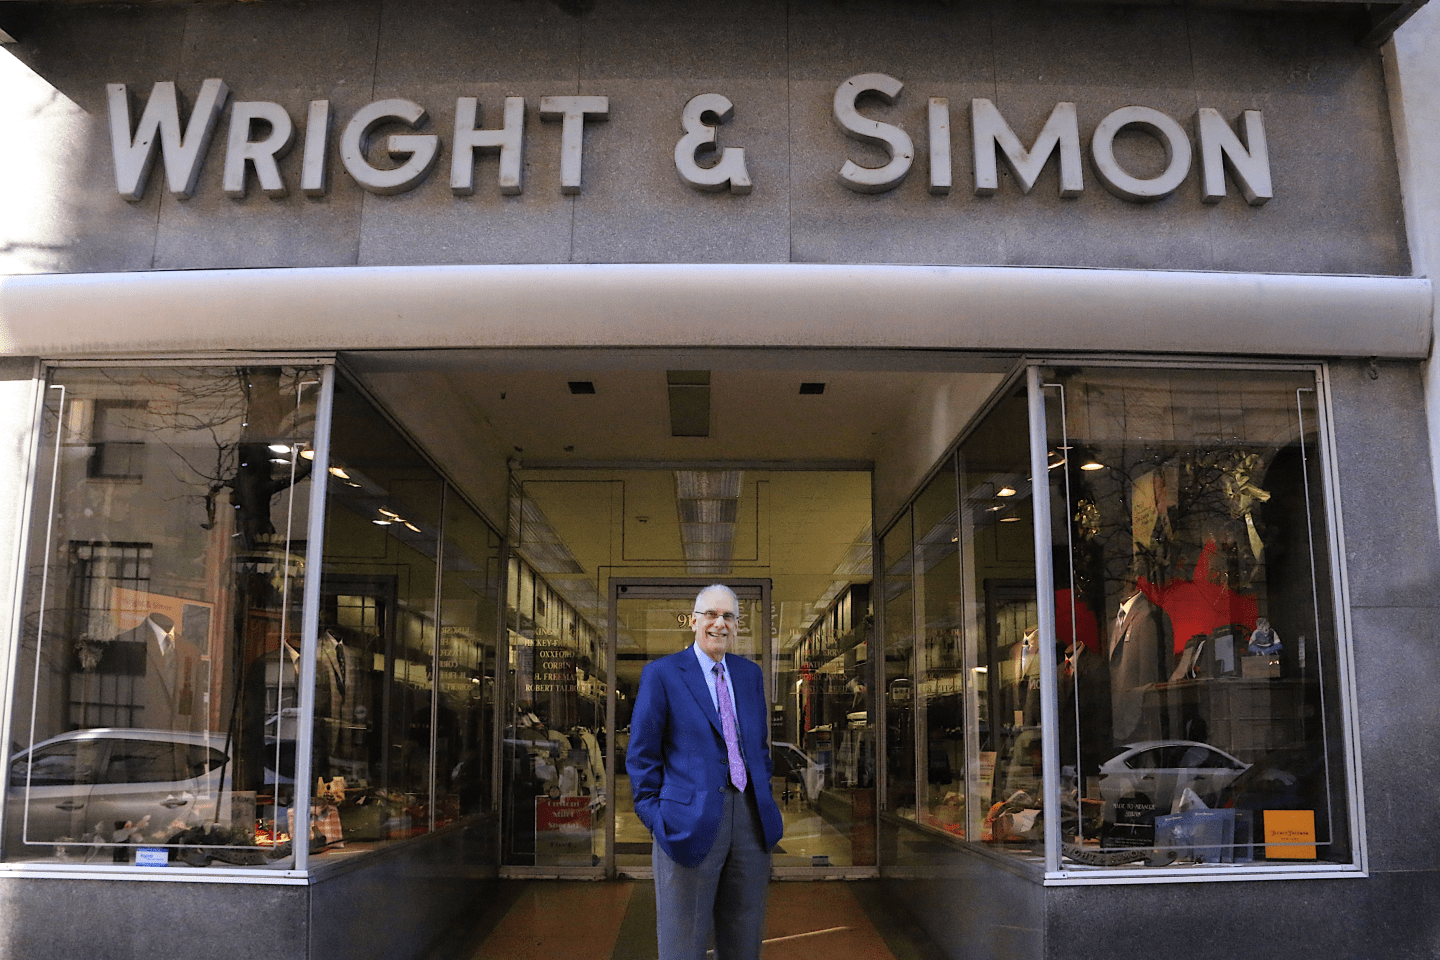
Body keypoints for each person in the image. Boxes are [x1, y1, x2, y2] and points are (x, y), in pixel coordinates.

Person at [625, 584, 784, 960]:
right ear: (693, 620)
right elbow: (642, 755)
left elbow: (757, 746)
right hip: (686, 820)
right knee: (684, 938)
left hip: (750, 821)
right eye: (711, 615)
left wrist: (764, 794)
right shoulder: (662, 674)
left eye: (728, 616)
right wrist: (654, 816)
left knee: (744, 935)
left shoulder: (749, 675)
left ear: (737, 624)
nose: (720, 623)